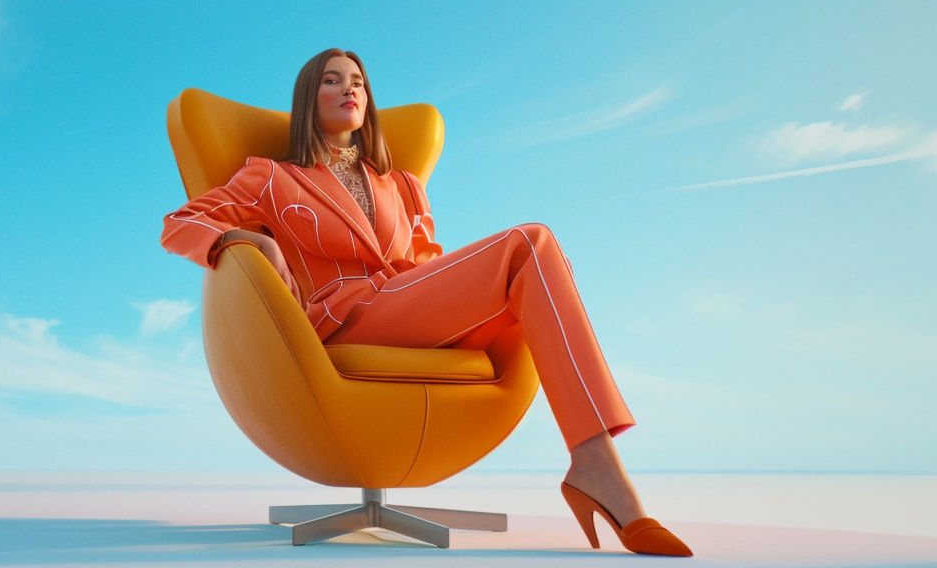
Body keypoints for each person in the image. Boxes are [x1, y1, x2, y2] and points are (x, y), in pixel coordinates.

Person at [160, 48, 692, 557]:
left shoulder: (404, 186)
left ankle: (593, 458)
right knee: (530, 244)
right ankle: (598, 467)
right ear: (308, 98)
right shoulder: (273, 176)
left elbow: (424, 263)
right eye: (333, 79)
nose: (350, 88)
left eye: (359, 82)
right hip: (347, 319)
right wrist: (249, 239)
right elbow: (180, 224)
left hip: (410, 309)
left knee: (545, 271)